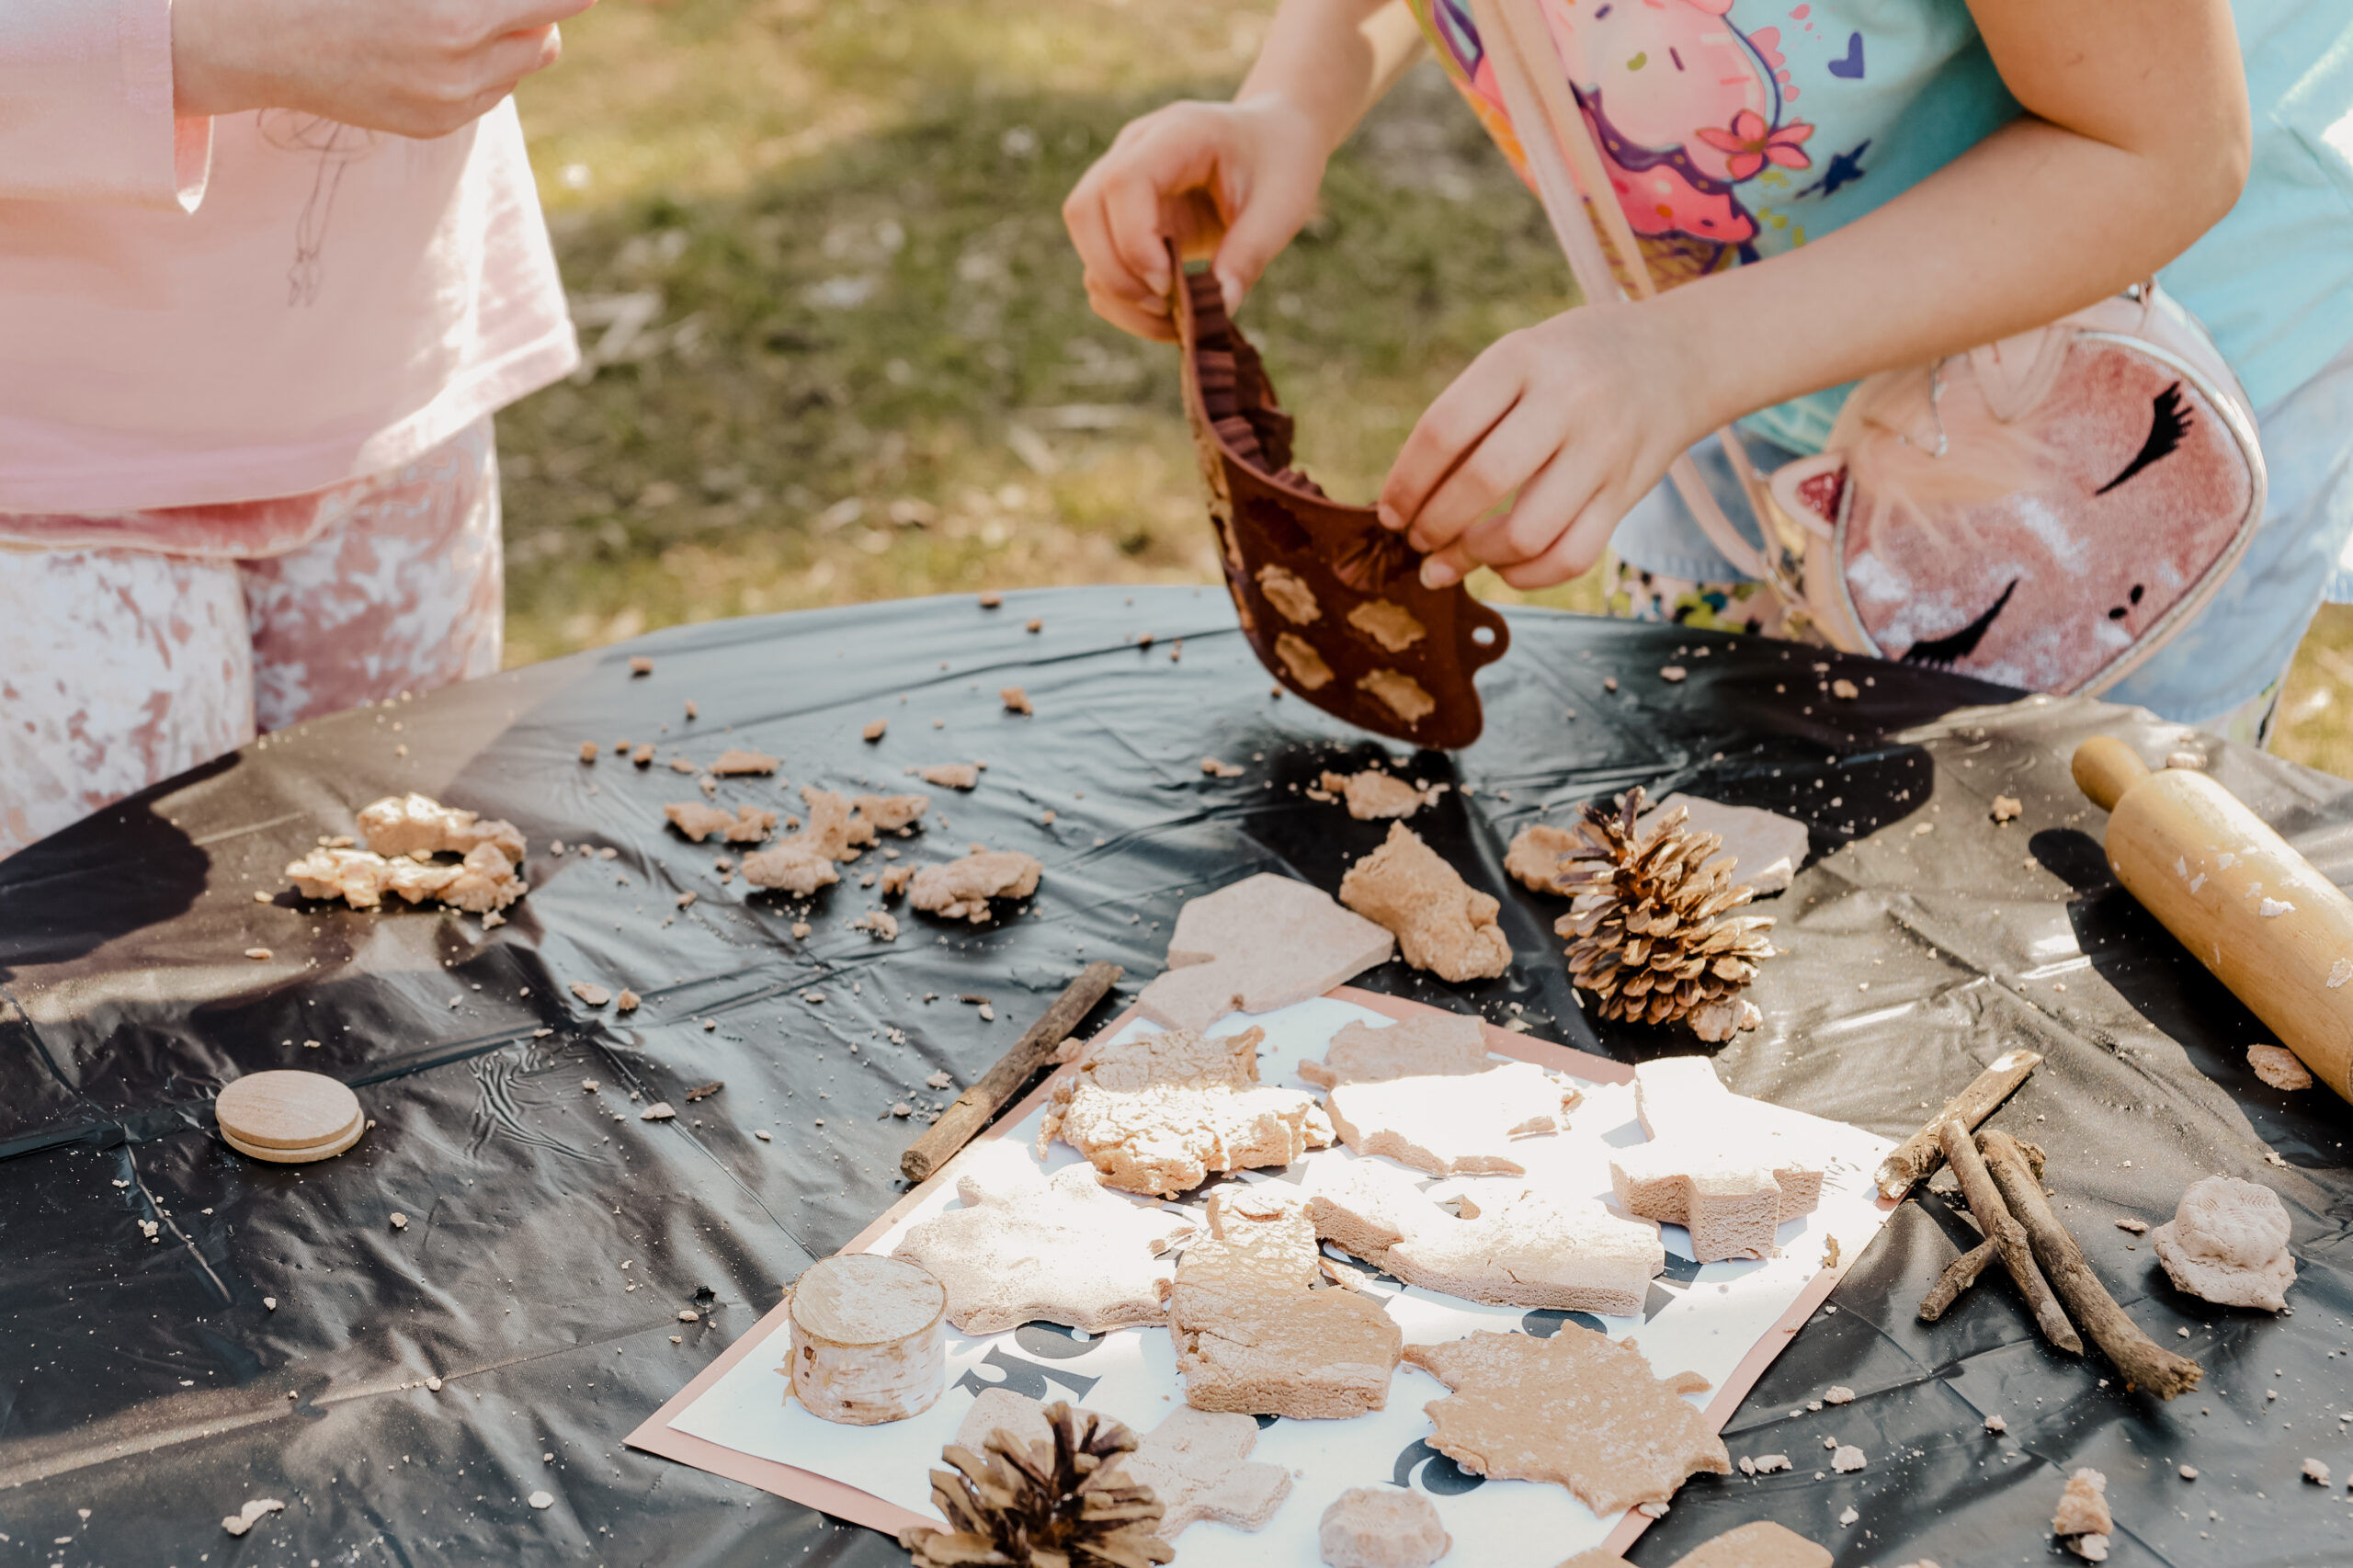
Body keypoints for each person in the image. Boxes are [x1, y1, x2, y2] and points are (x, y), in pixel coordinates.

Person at [1063, 0, 2353, 745]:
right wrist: (1294, 96)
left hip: (2122, 413)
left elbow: (2160, 151)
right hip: (1713, 366)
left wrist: (1680, 358)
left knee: (2056, 950)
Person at [0, 0, 589, 857]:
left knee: (414, 912)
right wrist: (204, 45)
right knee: (95, 939)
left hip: (398, 349)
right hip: (45, 433)